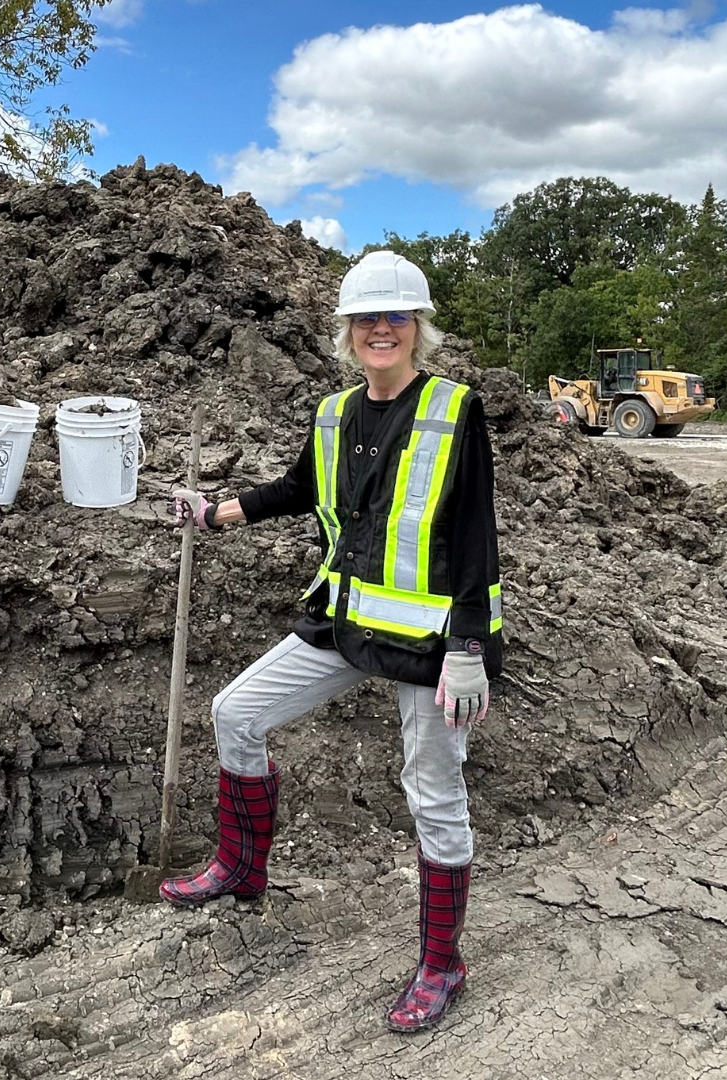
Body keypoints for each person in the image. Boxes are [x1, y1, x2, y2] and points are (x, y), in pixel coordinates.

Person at [162, 250, 502, 1033]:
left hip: (431, 642)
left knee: (434, 790)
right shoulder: (334, 412)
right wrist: (216, 514)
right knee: (236, 712)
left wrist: (469, 648)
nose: (381, 330)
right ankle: (241, 869)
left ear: (418, 330)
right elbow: (296, 489)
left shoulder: (455, 409)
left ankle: (441, 965)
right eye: (366, 319)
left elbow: (476, 535)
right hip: (345, 623)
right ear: (347, 333)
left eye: (395, 318)